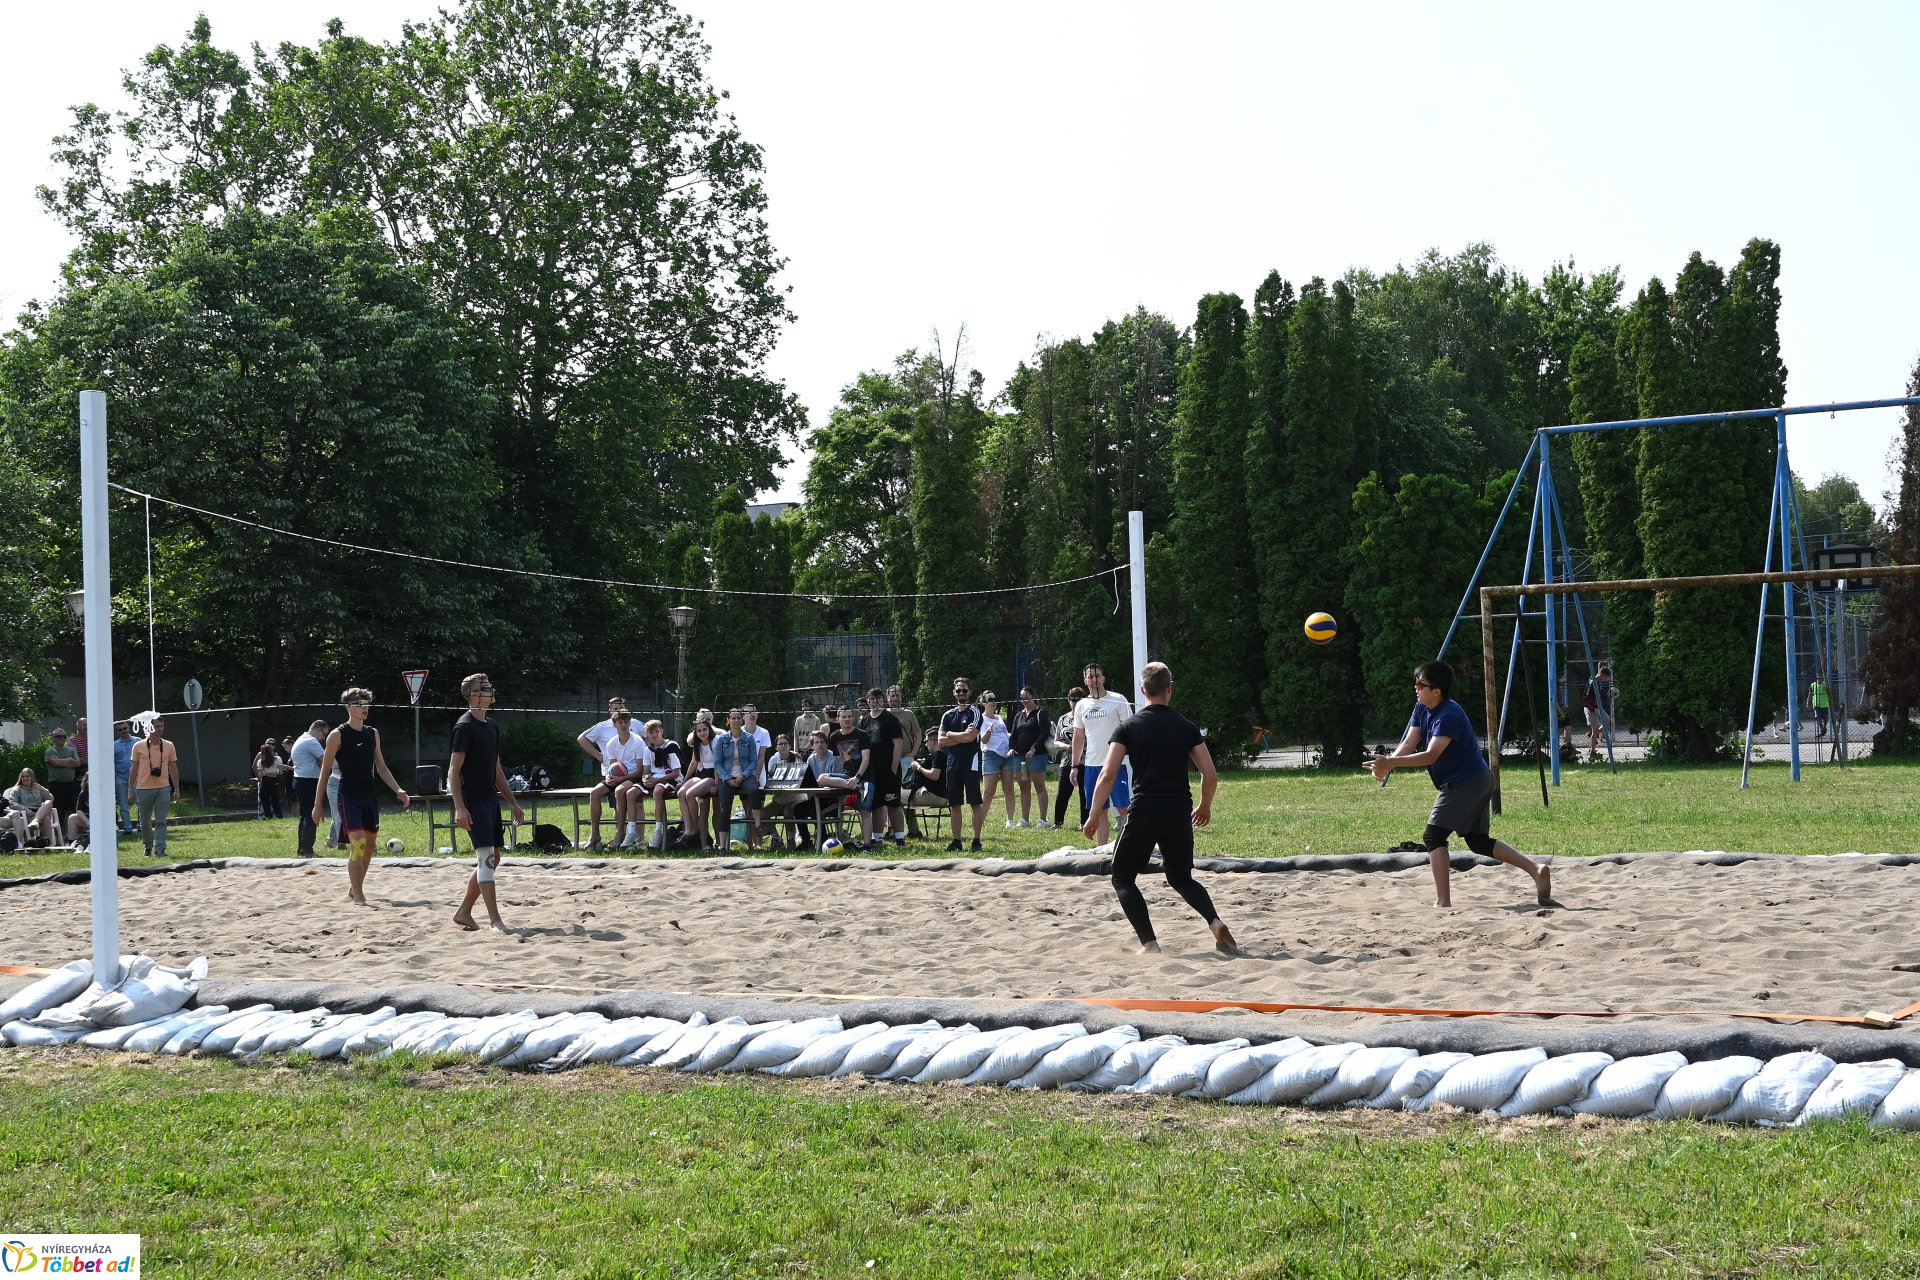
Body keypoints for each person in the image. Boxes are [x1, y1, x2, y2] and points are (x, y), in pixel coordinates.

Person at [1365, 660, 1553, 909]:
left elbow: (1432, 754)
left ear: (1437, 691)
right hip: (1474, 779)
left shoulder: (1449, 714)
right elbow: (1410, 743)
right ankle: (1536, 869)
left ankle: (1443, 902)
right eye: (1417, 682)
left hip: (1467, 782)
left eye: (1421, 684)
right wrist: (1389, 765)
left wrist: (1390, 762)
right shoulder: (1422, 707)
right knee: (1478, 841)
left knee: (1434, 835)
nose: (1416, 687)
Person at [1085, 662, 1237, 955]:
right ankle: (1215, 922)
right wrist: (1205, 806)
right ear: (1170, 689)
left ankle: (1150, 944)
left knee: (1122, 877)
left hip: (1145, 810)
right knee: (1181, 878)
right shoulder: (1186, 727)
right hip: (1179, 810)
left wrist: (1093, 814)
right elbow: (1210, 773)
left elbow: (1107, 775)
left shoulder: (1128, 726)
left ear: (1143, 691)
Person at [310, 688, 411, 905]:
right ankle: (359, 896)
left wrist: (398, 790)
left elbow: (382, 767)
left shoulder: (372, 733)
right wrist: (317, 805)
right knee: (357, 844)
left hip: (368, 795)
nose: (365, 708)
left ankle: (353, 890)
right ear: (348, 706)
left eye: (367, 703)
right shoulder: (337, 735)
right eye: (360, 704)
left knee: (369, 846)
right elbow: (325, 771)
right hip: (348, 795)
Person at [450, 672, 526, 932]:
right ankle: (495, 920)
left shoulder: (491, 726)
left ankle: (463, 912)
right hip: (472, 800)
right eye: (486, 686)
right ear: (473, 695)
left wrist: (513, 802)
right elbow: (453, 770)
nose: (492, 689)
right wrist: (459, 806)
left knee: (494, 857)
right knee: (486, 858)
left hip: (489, 799)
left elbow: (496, 769)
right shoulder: (464, 726)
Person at [1072, 665, 1133, 846]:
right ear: (1085, 681)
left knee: (1124, 808)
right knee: (1098, 810)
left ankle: (1128, 847)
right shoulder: (1082, 705)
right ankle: (1101, 851)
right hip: (1092, 765)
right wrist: (1075, 766)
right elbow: (1078, 736)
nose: (1094, 679)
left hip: (1117, 764)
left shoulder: (1118, 700)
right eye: (1090, 677)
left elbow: (1131, 730)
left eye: (1097, 676)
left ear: (1103, 678)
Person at [935, 676, 986, 852]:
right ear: (954, 693)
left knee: (974, 803)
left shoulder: (975, 712)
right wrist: (959, 737)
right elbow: (940, 742)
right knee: (954, 804)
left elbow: (970, 737)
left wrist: (950, 734)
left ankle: (976, 840)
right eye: (958, 690)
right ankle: (956, 840)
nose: (961, 693)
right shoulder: (948, 715)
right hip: (952, 765)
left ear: (970, 692)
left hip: (970, 764)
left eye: (964, 690)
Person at [576, 696, 629, 848]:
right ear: (610, 710)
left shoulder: (634, 724)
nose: (619, 710)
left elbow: (650, 733)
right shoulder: (603, 727)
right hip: (611, 772)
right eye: (615, 708)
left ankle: (626, 836)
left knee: (626, 802)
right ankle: (596, 835)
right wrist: (599, 755)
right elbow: (582, 738)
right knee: (606, 799)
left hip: (630, 774)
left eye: (621, 707)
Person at [859, 686, 907, 849]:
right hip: (872, 770)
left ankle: (900, 838)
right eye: (872, 699)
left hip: (889, 769)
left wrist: (893, 768)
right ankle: (877, 838)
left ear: (883, 700)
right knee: (876, 804)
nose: (875, 701)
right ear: (868, 701)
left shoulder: (890, 719)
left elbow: (898, 745)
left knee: (893, 803)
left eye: (878, 698)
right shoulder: (863, 720)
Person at [712, 708, 765, 852]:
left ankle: (758, 825)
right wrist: (727, 778)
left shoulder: (749, 738)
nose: (736, 721)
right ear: (728, 721)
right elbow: (717, 763)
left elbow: (754, 761)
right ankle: (723, 846)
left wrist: (743, 776)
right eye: (733, 718)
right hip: (727, 777)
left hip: (745, 775)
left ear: (742, 720)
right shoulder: (722, 739)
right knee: (725, 809)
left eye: (738, 718)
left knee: (754, 790)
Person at [596, 712, 648, 850]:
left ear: (630, 723)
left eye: (626, 722)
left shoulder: (638, 742)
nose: (623, 725)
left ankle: (621, 834)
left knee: (619, 791)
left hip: (633, 777)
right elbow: (612, 766)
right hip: (618, 776)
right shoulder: (611, 743)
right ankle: (595, 836)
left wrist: (621, 779)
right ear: (615, 725)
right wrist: (609, 776)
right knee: (595, 793)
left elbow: (639, 771)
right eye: (620, 722)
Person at [826, 704, 874, 849]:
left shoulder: (862, 735)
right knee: (822, 778)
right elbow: (838, 760)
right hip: (847, 778)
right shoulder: (834, 737)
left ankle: (867, 845)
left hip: (864, 777)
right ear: (838, 719)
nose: (847, 719)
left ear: (852, 717)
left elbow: (866, 759)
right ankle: (850, 786)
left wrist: (858, 777)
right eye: (843, 717)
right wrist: (848, 781)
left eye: (849, 716)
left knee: (865, 811)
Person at [130, 719, 179, 859]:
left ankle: (160, 849)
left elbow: (173, 767)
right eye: (156, 726)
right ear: (149, 727)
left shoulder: (169, 745)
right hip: (143, 788)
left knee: (161, 820)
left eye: (161, 726)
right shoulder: (138, 746)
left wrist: (177, 788)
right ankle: (147, 846)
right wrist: (130, 789)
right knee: (144, 821)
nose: (159, 729)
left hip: (163, 787)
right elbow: (133, 769)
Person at [1008, 686, 1053, 829]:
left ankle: (1043, 820)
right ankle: (1025, 820)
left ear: (1034, 696)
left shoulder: (1041, 713)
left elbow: (1044, 733)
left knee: (1039, 786)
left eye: (1027, 697)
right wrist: (1012, 748)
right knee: (1024, 787)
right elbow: (1013, 734)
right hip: (1020, 757)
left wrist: (1034, 748)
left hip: (1037, 755)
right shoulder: (1018, 715)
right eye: (1022, 698)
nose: (1024, 700)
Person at [638, 719, 684, 850]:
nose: (654, 735)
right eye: (651, 732)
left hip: (673, 779)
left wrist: (657, 781)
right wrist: (645, 779)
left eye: (657, 731)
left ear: (662, 731)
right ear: (647, 734)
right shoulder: (648, 750)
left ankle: (658, 830)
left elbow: (676, 772)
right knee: (631, 793)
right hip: (656, 779)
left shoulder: (671, 746)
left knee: (658, 791)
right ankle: (630, 833)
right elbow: (646, 772)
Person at [676, 711, 719, 850]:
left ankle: (695, 830)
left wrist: (717, 784)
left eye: (704, 729)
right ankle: (689, 830)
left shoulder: (716, 741)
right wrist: (685, 780)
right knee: (681, 793)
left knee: (690, 795)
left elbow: (718, 764)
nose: (702, 733)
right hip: (700, 774)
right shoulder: (697, 744)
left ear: (709, 729)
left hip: (712, 776)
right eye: (699, 730)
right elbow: (694, 763)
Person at [976, 691, 1019, 829]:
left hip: (1006, 756)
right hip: (991, 756)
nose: (993, 701)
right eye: (990, 699)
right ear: (983, 703)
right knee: (989, 791)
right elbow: (983, 740)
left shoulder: (999, 718)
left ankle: (1010, 820)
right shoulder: (981, 720)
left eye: (995, 699)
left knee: (1009, 788)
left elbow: (1005, 734)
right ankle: (980, 821)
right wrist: (988, 731)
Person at [290, 720, 329, 857]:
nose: (324, 739)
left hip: (300, 780)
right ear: (318, 729)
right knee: (312, 816)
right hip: (308, 782)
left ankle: (302, 848)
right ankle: (307, 850)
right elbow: (326, 761)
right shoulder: (311, 742)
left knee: (305, 816)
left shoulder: (301, 739)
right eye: (324, 734)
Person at [1051, 686, 1085, 830]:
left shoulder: (1086, 717)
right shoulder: (1063, 718)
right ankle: (1058, 822)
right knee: (1062, 793)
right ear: (1068, 700)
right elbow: (1056, 741)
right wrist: (1067, 747)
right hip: (1067, 761)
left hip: (1086, 760)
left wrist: (1080, 745)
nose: (1075, 702)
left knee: (1085, 793)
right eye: (1073, 699)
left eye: (1079, 699)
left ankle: (1084, 823)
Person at [742, 705, 774, 841]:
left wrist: (756, 775)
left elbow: (761, 756)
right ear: (743, 716)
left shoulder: (764, 732)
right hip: (742, 773)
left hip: (758, 774)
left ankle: (759, 842)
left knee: (758, 808)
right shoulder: (738, 732)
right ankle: (751, 841)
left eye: (754, 712)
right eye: (748, 712)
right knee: (747, 809)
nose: (751, 714)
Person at [5, 769, 58, 847]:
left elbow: (51, 799)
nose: (25, 778)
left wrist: (41, 788)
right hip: (29, 814)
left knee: (49, 803)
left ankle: (37, 821)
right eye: (22, 777)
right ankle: (48, 845)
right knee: (46, 818)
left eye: (27, 776)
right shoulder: (17, 790)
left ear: (32, 777)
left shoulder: (37, 787)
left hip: (40, 811)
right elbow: (12, 803)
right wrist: (25, 810)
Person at [43, 728, 81, 835]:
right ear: (54, 738)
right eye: (59, 736)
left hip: (71, 784)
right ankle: (56, 834)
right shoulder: (50, 751)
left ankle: (68, 834)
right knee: (57, 810)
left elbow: (77, 763)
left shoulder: (71, 750)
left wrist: (62, 762)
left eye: (64, 736)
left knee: (70, 809)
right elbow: (55, 763)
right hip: (56, 784)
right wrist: (69, 760)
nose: (62, 738)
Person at [111, 721, 136, 834]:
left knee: (141, 803)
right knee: (123, 805)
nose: (123, 731)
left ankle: (142, 826)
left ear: (128, 728)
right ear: (117, 732)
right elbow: (112, 762)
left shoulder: (138, 741)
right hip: (121, 778)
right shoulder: (114, 745)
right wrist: (116, 776)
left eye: (125, 728)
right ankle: (128, 828)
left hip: (137, 777)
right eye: (120, 730)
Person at [1586, 665, 1616, 756]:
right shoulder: (1592, 682)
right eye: (1606, 677)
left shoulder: (1598, 682)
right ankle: (1593, 751)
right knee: (1595, 729)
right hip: (1591, 708)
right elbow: (1585, 699)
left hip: (1598, 707)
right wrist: (1592, 710)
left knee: (1610, 724)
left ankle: (1592, 733)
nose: (1606, 679)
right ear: (1602, 674)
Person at [253, 740, 286, 819]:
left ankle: (268, 816)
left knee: (265, 800)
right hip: (274, 780)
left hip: (265, 780)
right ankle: (279, 816)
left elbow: (260, 774)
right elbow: (280, 772)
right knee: (275, 800)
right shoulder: (277, 759)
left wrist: (260, 775)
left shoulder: (260, 762)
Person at [1808, 675, 1831, 740]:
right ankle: (1822, 729)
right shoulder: (1813, 685)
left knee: (1825, 718)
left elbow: (1829, 691)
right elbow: (1809, 694)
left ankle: (1824, 727)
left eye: (1820, 677)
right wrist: (1808, 703)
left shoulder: (1825, 684)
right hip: (1816, 704)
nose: (1819, 679)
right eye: (1818, 678)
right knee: (1818, 717)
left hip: (1824, 704)